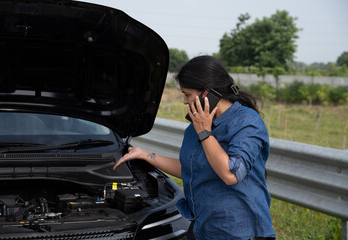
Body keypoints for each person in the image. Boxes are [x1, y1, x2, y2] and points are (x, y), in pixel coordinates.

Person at [113, 55, 276, 240]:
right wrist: (144, 154)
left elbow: (231, 174)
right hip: (202, 228)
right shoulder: (195, 127)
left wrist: (205, 132)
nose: (184, 101)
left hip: (240, 231)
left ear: (208, 93)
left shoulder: (247, 122)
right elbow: (190, 169)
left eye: (187, 94)